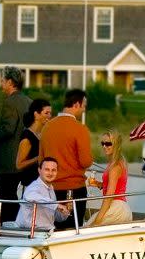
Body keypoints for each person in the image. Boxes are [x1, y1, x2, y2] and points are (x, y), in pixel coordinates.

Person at [39, 89, 93, 228]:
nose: (84, 109)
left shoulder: (47, 127)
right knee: (72, 230)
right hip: (73, 189)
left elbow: (41, 160)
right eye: (84, 105)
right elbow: (85, 161)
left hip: (50, 189)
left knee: (52, 228)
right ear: (76, 104)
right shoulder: (80, 129)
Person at [0, 67, 33, 222]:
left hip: (9, 159)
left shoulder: (10, 102)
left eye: (3, 80)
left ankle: (9, 224)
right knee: (14, 193)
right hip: (25, 158)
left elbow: (7, 129)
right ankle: (21, 220)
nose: (1, 83)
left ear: (10, 82)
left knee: (6, 194)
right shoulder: (29, 102)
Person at [12, 157, 71, 231]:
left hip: (47, 231)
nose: (50, 173)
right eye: (47, 170)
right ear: (39, 171)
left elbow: (56, 217)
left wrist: (65, 212)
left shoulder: (50, 188)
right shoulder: (34, 186)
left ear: (57, 172)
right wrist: (56, 205)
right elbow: (30, 196)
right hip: (30, 233)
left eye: (53, 170)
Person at [87, 129, 131, 226]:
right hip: (120, 206)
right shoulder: (117, 162)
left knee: (89, 228)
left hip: (116, 207)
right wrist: (98, 184)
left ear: (116, 145)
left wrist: (98, 219)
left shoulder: (115, 166)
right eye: (102, 143)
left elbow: (109, 196)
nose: (104, 146)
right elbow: (114, 186)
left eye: (108, 144)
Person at [16, 98, 52, 190]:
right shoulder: (27, 136)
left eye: (50, 113)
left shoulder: (42, 134)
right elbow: (19, 164)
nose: (49, 116)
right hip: (30, 186)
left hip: (41, 184)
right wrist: (38, 158)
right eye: (46, 113)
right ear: (36, 114)